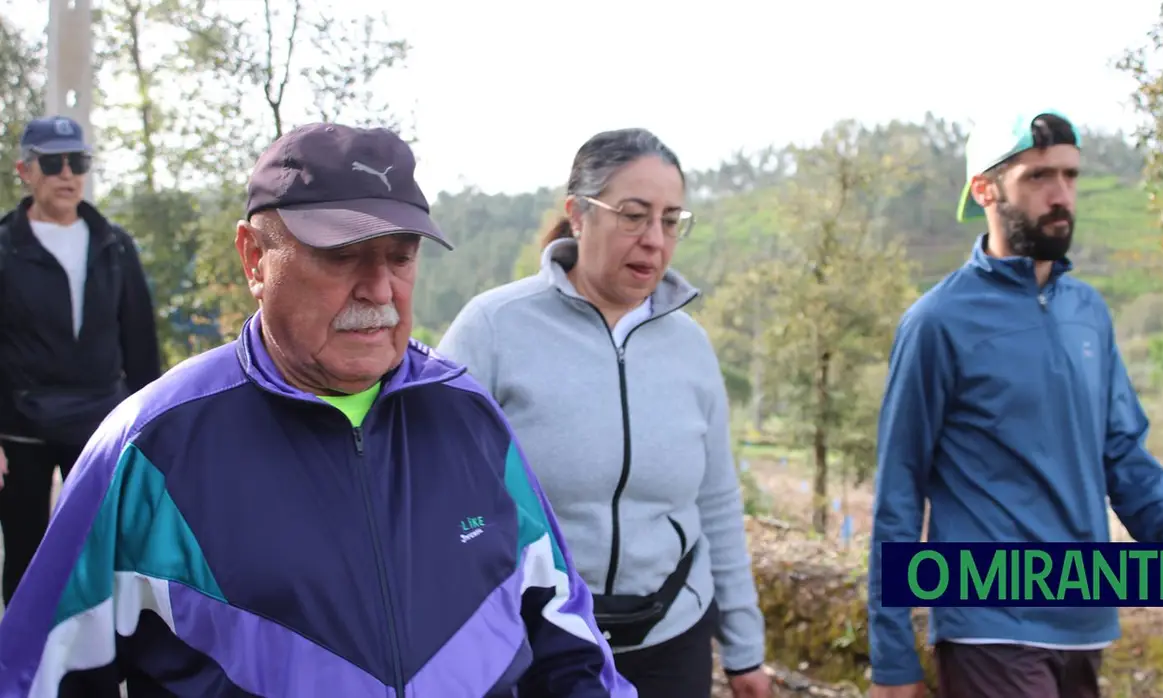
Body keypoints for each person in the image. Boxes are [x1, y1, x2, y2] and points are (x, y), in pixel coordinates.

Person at [0, 123, 635, 698]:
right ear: (255, 258)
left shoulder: (471, 418)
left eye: (401, 255)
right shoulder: (149, 447)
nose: (379, 289)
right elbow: (37, 675)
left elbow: (569, 645)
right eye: (340, 254)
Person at [866, 109, 1163, 698]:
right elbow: (898, 491)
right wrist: (891, 655)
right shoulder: (937, 323)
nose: (1061, 195)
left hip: (1085, 619)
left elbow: (1127, 464)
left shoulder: (1088, 313)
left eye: (1070, 176)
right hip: (988, 623)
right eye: (1039, 178)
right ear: (985, 189)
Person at [437, 127, 771, 698]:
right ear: (578, 214)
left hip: (672, 640)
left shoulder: (691, 348)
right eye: (633, 215)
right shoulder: (492, 328)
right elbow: (431, 489)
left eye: (670, 220)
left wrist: (745, 650)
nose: (654, 241)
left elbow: (716, 501)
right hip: (531, 643)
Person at [0, 115, 162, 606]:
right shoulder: (4, 247)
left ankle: (93, 676)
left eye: (78, 162)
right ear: (25, 170)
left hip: (99, 425)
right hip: (19, 428)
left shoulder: (114, 244)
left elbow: (139, 342)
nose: (67, 174)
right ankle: (24, 673)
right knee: (26, 559)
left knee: (100, 557)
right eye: (53, 163)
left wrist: (150, 430)